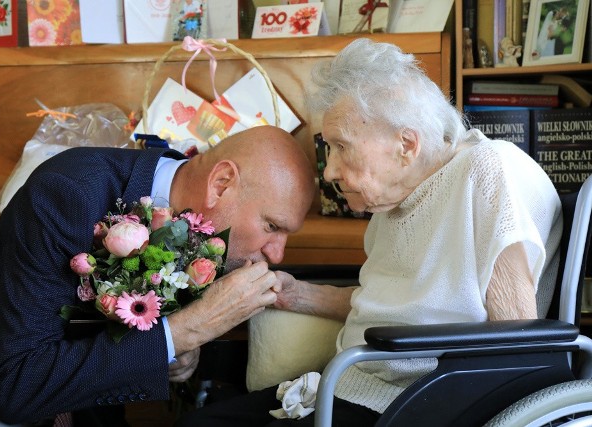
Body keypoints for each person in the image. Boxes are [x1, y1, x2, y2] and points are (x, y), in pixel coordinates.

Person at [175, 39, 563, 427]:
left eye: (341, 146)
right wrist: (294, 293)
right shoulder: (395, 199)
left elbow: (517, 340)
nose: (328, 171)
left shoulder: (489, 171)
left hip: (417, 404)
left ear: (405, 144)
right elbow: (389, 306)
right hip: (344, 386)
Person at [0, 125, 315, 426]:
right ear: (220, 183)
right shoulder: (68, 192)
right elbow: (17, 388)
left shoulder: (208, 224)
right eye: (272, 225)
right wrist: (184, 331)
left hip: (88, 398)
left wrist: (177, 350)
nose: (277, 253)